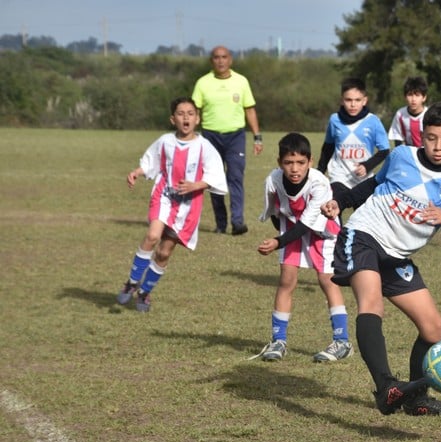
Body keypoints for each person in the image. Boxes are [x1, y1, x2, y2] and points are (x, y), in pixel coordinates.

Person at [321, 102, 441, 417]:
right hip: (363, 237)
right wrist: (340, 201)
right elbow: (372, 186)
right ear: (421, 136)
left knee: (433, 328)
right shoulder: (401, 156)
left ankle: (416, 400)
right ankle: (386, 387)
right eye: (431, 138)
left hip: (397, 256)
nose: (438, 146)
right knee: (372, 303)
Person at [117, 97, 228, 312]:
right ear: (172, 119)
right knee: (152, 236)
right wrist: (137, 172)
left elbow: (215, 176)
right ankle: (132, 282)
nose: (185, 117)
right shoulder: (165, 141)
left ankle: (145, 293)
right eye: (180, 113)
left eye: (190, 113)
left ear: (197, 119)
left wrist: (195, 185)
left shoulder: (205, 146)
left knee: (164, 253)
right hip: (164, 197)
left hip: (188, 208)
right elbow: (151, 162)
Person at [251, 132, 353, 363]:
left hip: (322, 230)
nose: (294, 169)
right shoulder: (273, 180)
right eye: (288, 162)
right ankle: (278, 340)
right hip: (291, 229)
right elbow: (276, 214)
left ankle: (342, 341)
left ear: (311, 162)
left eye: (300, 163)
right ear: (279, 163)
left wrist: (278, 242)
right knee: (287, 280)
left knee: (327, 280)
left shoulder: (319, 184)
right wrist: (281, 235)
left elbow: (307, 224)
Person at [192, 45, 263, 236]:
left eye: (224, 57)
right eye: (216, 57)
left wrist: (257, 136)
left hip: (235, 136)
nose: (220, 61)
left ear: (230, 59)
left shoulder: (241, 81)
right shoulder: (202, 83)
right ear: (211, 61)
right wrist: (190, 134)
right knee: (214, 180)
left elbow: (249, 109)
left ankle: (238, 222)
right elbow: (195, 112)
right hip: (210, 136)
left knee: (235, 177)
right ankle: (220, 224)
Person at [388, 76, 441, 243]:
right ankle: (404, 228)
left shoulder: (429, 115)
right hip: (410, 160)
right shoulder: (400, 115)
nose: (413, 99)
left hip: (428, 159)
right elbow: (397, 138)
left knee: (429, 193)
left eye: (417, 95)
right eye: (409, 95)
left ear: (424, 97)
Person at [317, 77, 390, 197]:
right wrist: (320, 172)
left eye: (357, 100)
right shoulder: (334, 120)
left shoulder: (373, 121)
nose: (352, 104)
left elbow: (384, 150)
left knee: (361, 215)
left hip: (363, 178)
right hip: (339, 176)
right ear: (342, 100)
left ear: (364, 100)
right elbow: (327, 148)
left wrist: (367, 166)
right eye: (348, 100)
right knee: (334, 208)